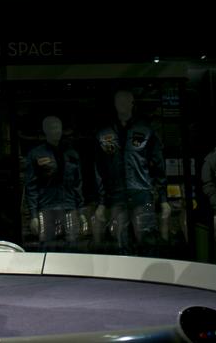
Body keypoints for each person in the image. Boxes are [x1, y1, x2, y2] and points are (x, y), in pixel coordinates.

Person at [92, 89, 169, 253]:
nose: (123, 104)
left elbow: (159, 166)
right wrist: (102, 202)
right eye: (119, 101)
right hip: (116, 196)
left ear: (132, 104)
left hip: (143, 195)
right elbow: (99, 170)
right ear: (114, 104)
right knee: (119, 241)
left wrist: (163, 199)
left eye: (126, 100)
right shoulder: (104, 133)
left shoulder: (146, 130)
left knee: (147, 239)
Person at [24, 115, 86, 249]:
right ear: (45, 130)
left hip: (69, 207)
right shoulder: (36, 154)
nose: (56, 130)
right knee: (48, 247)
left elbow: (78, 184)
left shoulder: (71, 154)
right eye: (52, 128)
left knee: (72, 246)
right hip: (46, 208)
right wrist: (33, 215)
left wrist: (81, 211)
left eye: (58, 127)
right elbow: (31, 187)